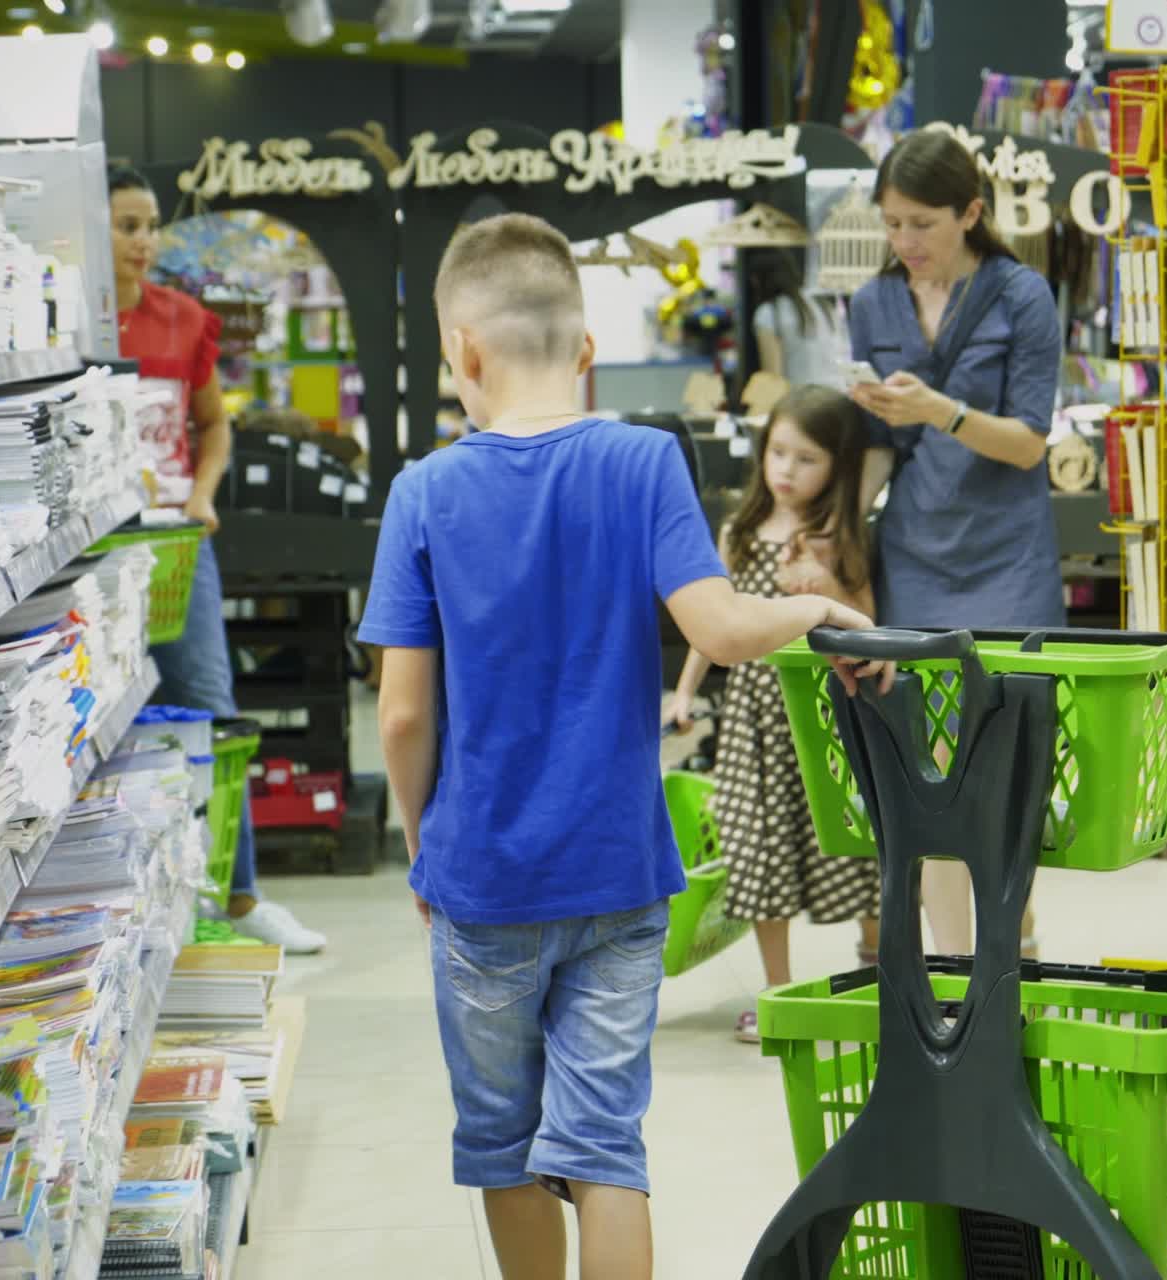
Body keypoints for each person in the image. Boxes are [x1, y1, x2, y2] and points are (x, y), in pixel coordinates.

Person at [359, 213, 890, 1280]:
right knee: (604, 1146)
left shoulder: (423, 492)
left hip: (483, 879)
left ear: (463, 352)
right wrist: (816, 611)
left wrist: (423, 846)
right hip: (618, 871)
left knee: (504, 1148)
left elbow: (403, 715)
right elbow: (719, 628)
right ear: (587, 349)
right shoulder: (645, 459)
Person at [846, 129, 1063, 958]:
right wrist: (843, 538)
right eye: (891, 223)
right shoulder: (872, 304)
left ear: (971, 213)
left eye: (922, 224)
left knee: (1007, 757)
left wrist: (941, 411)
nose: (904, 241)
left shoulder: (1022, 297)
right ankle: (952, 964)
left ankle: (1009, 938)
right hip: (915, 550)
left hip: (1008, 554)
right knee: (930, 765)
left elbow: (1029, 444)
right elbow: (877, 446)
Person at [109, 168, 326, 954]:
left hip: (176, 544)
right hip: (94, 555)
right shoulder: (70, 329)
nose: (144, 241)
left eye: (150, 225)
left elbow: (214, 425)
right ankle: (126, 905)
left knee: (208, 704)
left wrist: (203, 494)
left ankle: (239, 898)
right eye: (128, 226)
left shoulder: (183, 318)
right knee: (104, 720)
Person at [668, 387, 881, 1043]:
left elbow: (867, 621)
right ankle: (779, 993)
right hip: (754, 720)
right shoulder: (738, 532)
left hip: (823, 718)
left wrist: (823, 581)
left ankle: (881, 977)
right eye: (778, 452)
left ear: (838, 467)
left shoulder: (840, 536)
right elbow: (713, 621)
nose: (787, 470)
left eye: (807, 459)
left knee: (857, 847)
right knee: (759, 850)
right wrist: (685, 691)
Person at [749, 247, 842, 389]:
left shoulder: (768, 313)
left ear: (759, 279)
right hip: (837, 394)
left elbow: (773, 377)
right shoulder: (822, 305)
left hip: (801, 397)